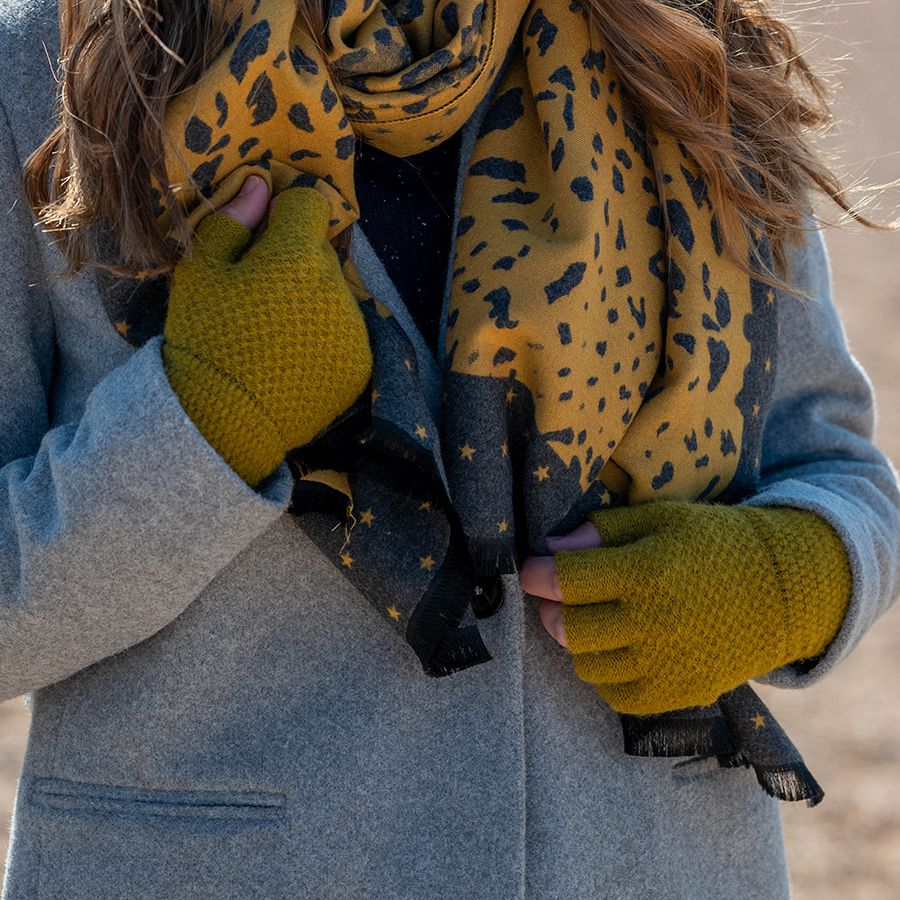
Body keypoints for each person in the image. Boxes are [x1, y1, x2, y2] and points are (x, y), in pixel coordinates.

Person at [0, 0, 898, 897]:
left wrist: (791, 581)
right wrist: (200, 426)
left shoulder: (683, 47)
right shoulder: (46, 69)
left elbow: (838, 472)